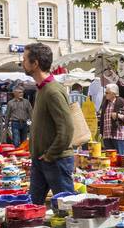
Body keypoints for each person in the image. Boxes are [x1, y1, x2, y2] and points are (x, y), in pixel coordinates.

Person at [25, 42, 82, 204]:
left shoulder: (52, 90)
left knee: (66, 207)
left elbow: (66, 129)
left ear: (35, 64)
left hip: (55, 160)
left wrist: (50, 155)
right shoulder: (43, 89)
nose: (22, 62)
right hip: (42, 160)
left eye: (24, 59)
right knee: (33, 206)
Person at [99, 83, 124, 157]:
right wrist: (101, 132)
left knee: (120, 158)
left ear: (114, 94)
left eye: (107, 93)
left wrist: (118, 116)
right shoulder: (105, 104)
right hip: (107, 136)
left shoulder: (121, 103)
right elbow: (102, 119)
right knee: (110, 160)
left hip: (118, 135)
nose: (105, 94)